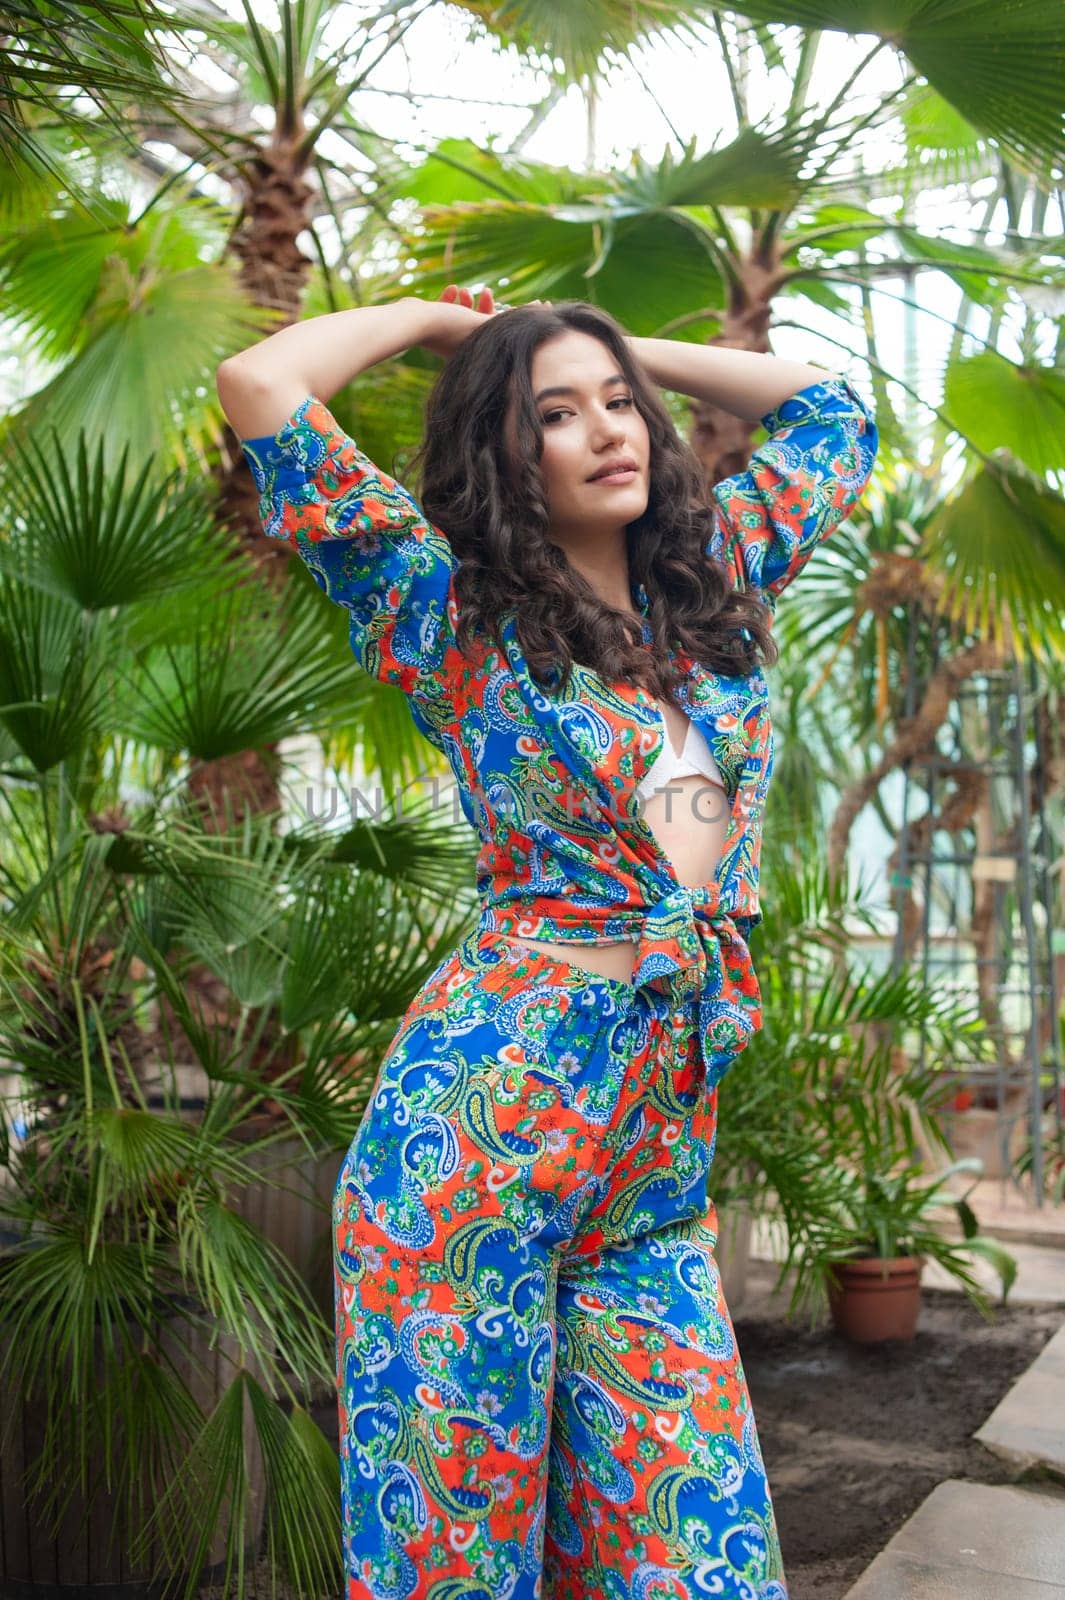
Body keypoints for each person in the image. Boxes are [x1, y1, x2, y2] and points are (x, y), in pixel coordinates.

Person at [216, 288, 878, 1600]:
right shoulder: (441, 606)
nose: (606, 431)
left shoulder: (716, 573)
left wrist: (588, 336)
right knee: (451, 1565)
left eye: (618, 403)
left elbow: (829, 410)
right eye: (554, 416)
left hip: (650, 1150)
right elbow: (257, 384)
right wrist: (429, 322)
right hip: (478, 1140)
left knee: (701, 1560)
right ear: (499, 458)